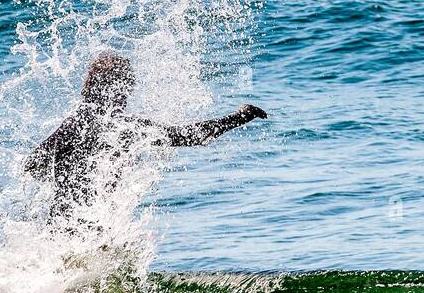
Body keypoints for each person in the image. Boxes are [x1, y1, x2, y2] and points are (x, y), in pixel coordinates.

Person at [25, 51, 267, 221]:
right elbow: (189, 136)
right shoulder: (118, 127)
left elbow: (33, 165)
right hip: (88, 225)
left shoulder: (78, 122)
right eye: (126, 86)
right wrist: (239, 117)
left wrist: (69, 180)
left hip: (66, 223)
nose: (127, 95)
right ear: (112, 88)